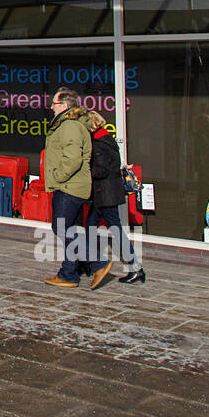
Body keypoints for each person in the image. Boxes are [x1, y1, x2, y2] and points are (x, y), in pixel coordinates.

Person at [83, 110, 145, 288]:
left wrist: (84, 171)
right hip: (105, 193)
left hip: (105, 194)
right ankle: (91, 263)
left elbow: (100, 170)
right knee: (90, 227)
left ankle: (135, 268)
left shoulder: (98, 143)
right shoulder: (107, 138)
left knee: (114, 229)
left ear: (91, 125)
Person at [42, 88, 93, 288]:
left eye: (54, 104)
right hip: (70, 185)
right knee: (68, 228)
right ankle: (69, 272)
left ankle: (96, 261)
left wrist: (57, 177)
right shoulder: (67, 124)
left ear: (64, 106)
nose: (51, 108)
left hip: (69, 186)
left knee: (60, 227)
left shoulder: (70, 125)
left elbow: (72, 160)